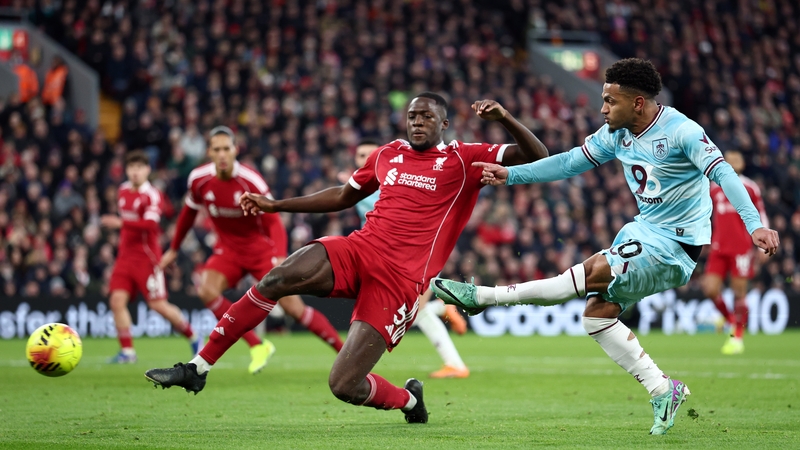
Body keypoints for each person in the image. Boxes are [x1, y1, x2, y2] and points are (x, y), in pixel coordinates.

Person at [145, 92, 548, 423]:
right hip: (360, 248)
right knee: (275, 278)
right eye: (411, 116)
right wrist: (276, 205)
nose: (417, 122)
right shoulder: (387, 154)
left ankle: (410, 401)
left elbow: (537, 152)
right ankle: (198, 368)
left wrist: (505, 117)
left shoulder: (465, 158)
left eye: (426, 116)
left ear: (444, 124)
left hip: (401, 281)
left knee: (344, 385)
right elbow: (342, 196)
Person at [430, 59, 780, 435]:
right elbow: (568, 163)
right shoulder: (617, 134)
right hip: (643, 232)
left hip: (676, 246)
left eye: (610, 101)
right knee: (597, 317)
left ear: (638, 103)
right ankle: (663, 389)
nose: (602, 109)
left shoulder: (682, 131)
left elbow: (723, 172)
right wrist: (512, 174)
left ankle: (482, 297)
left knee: (591, 272)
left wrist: (755, 225)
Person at [158, 126, 343, 374]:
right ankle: (257, 345)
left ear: (235, 150)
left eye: (227, 149)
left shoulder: (250, 180)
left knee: (294, 309)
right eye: (217, 149)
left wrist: (279, 254)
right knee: (207, 290)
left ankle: (345, 353)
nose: (222, 154)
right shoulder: (199, 179)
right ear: (209, 152)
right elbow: (188, 214)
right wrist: (174, 248)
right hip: (227, 251)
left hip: (259, 251)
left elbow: (273, 220)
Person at [353, 139, 470, 379]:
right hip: (387, 259)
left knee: (414, 312)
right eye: (359, 155)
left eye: (369, 154)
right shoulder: (363, 182)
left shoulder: (395, 181)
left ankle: (455, 361)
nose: (364, 159)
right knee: (415, 312)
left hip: (417, 255)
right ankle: (443, 312)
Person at [102, 150, 200, 363]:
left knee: (158, 305)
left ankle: (193, 337)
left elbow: (151, 225)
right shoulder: (122, 191)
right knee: (117, 301)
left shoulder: (152, 195)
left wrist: (121, 223)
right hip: (124, 257)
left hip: (147, 258)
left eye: (139, 168)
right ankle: (128, 352)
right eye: (131, 168)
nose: (135, 172)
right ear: (126, 170)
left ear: (147, 170)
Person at [701, 151, 768, 355]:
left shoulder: (750, 187)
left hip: (741, 248)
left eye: (736, 159)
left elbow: (761, 215)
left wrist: (762, 244)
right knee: (710, 289)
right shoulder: (714, 188)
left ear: (742, 163)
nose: (733, 163)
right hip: (719, 247)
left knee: (739, 292)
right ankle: (731, 321)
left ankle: (737, 337)